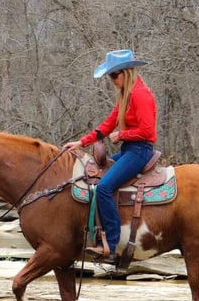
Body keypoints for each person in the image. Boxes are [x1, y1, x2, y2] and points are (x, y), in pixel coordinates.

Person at [63, 49, 157, 264]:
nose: (112, 80)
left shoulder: (140, 95)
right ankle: (94, 232)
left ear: (126, 73)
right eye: (110, 76)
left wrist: (122, 134)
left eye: (114, 75)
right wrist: (81, 143)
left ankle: (111, 245)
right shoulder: (126, 94)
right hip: (129, 149)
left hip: (139, 150)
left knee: (104, 187)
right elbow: (108, 124)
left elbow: (148, 131)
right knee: (94, 177)